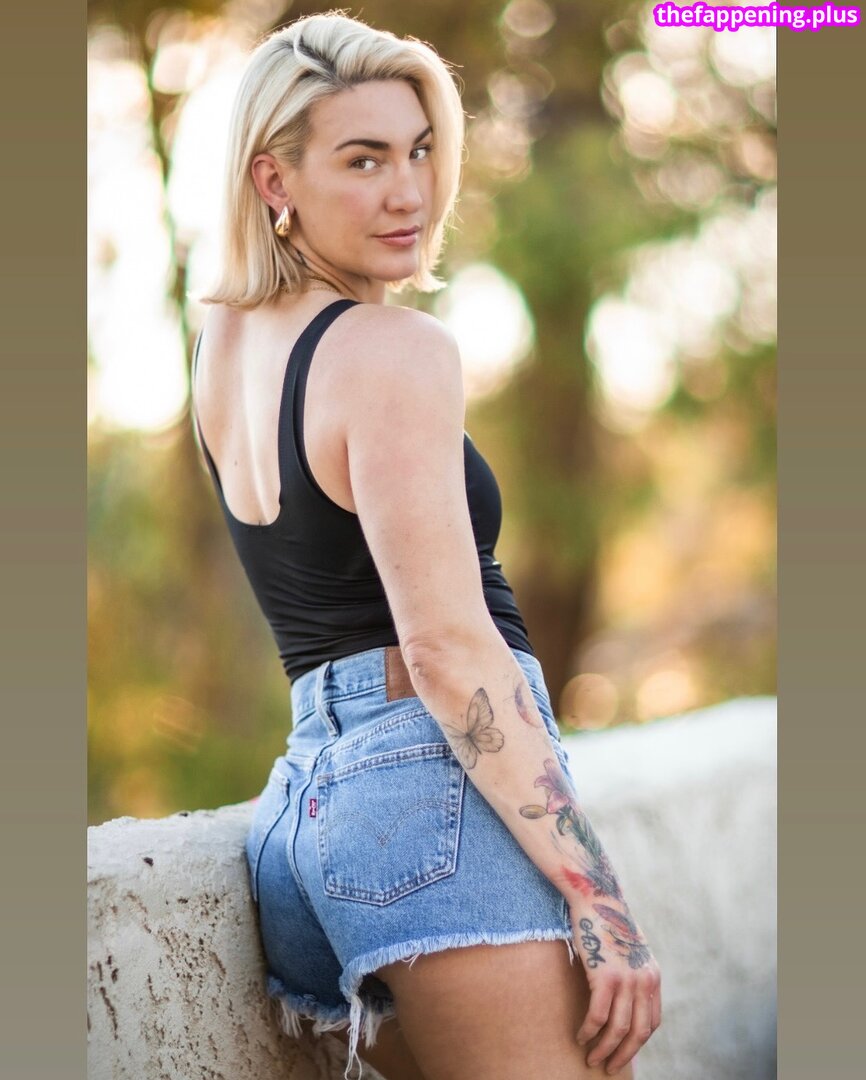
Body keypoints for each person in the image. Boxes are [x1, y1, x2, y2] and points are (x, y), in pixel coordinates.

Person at [190, 12, 661, 1080]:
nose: (408, 192)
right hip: (428, 798)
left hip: (304, 816)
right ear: (274, 179)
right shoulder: (393, 349)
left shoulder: (222, 344)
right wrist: (600, 901)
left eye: (419, 151)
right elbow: (447, 649)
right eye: (362, 161)